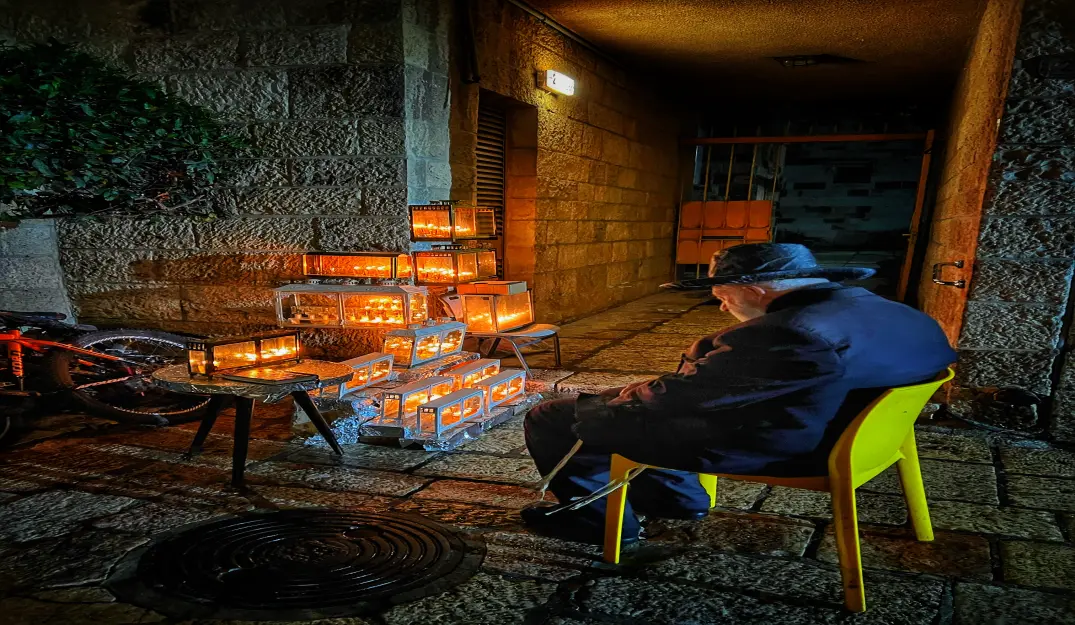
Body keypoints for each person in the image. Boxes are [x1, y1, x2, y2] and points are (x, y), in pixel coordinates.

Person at [521, 243, 957, 544]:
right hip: (863, 434)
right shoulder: (887, 310)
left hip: (793, 443)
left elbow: (686, 396)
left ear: (754, 290)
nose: (723, 307)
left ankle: (598, 523)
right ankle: (675, 499)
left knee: (556, 416)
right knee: (627, 409)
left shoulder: (791, 332)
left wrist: (606, 405)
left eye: (723, 297)